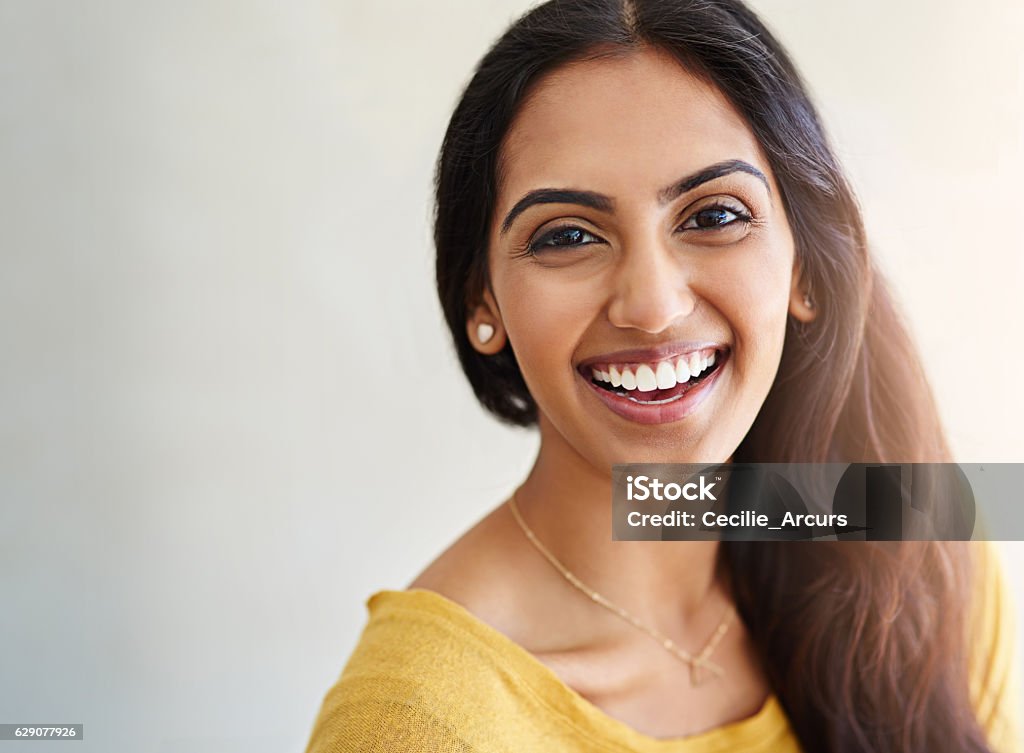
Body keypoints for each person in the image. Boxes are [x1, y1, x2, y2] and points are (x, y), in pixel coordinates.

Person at [305, 0, 1020, 750]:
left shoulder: (925, 561)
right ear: (481, 298)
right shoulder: (415, 722)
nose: (652, 305)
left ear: (807, 268)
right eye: (569, 235)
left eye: (713, 216)